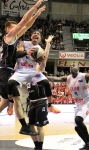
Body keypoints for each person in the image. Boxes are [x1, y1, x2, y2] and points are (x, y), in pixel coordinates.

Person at [0, 0, 45, 135]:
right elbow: (24, 21)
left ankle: (23, 126)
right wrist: (35, 6)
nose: (19, 29)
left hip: (7, 72)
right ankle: (24, 126)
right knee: (14, 100)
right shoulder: (9, 36)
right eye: (15, 27)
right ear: (8, 28)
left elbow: (27, 24)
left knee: (10, 101)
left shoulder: (13, 38)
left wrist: (36, 15)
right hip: (5, 71)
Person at [47, 63, 89, 150]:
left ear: (78, 68)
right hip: (79, 105)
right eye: (71, 66)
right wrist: (44, 76)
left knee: (78, 120)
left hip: (88, 102)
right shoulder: (68, 78)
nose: (72, 66)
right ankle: (87, 144)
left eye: (74, 65)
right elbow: (54, 79)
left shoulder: (84, 76)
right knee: (77, 127)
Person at [7, 31, 60, 117]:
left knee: (46, 83)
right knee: (10, 83)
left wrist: (48, 43)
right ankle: (10, 104)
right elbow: (17, 54)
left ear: (40, 39)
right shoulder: (23, 43)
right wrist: (26, 52)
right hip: (21, 70)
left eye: (38, 34)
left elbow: (44, 61)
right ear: (31, 36)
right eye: (34, 33)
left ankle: (50, 105)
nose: (36, 34)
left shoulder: (39, 49)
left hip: (32, 71)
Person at [26, 81, 49, 150]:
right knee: (30, 126)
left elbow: (42, 70)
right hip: (32, 102)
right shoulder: (25, 76)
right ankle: (36, 145)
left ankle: (40, 147)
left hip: (41, 101)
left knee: (39, 125)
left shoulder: (38, 75)